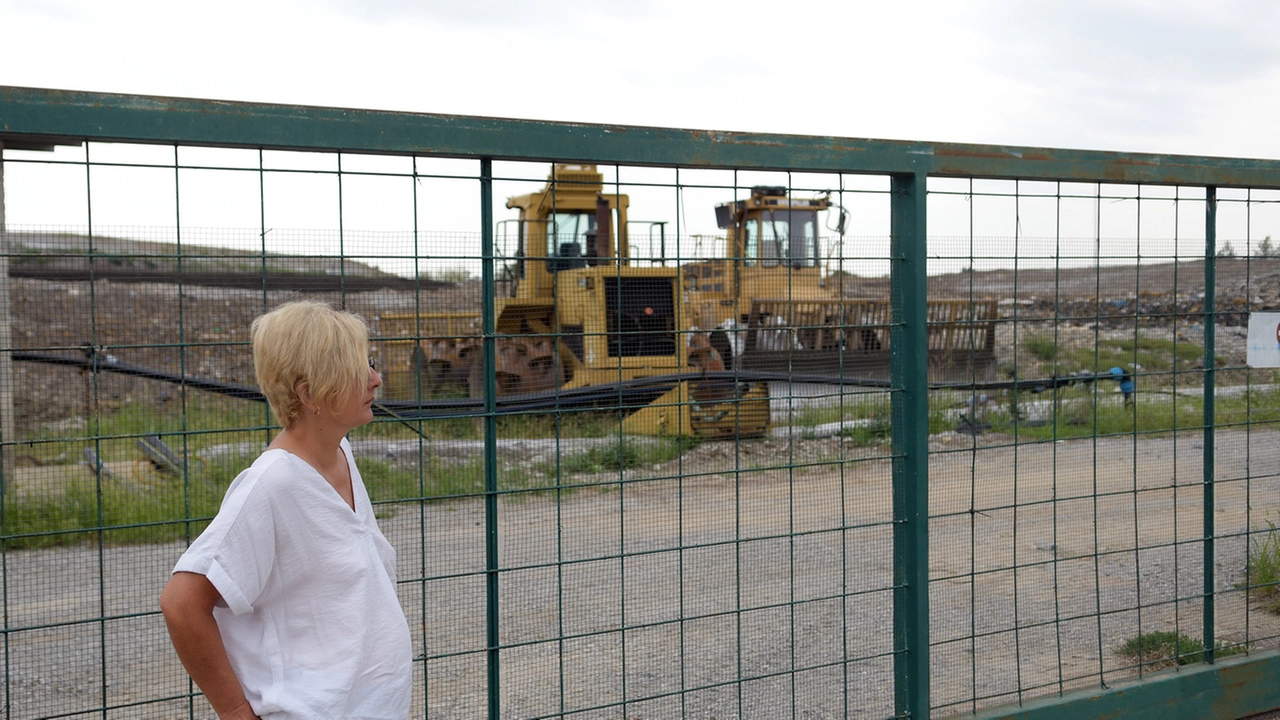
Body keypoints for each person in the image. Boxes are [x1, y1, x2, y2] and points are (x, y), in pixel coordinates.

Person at [160, 301, 412, 720]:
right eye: (357, 369)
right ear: (309, 394)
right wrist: (237, 712)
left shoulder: (339, 453)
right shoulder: (272, 484)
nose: (376, 378)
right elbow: (181, 603)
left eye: (369, 362)